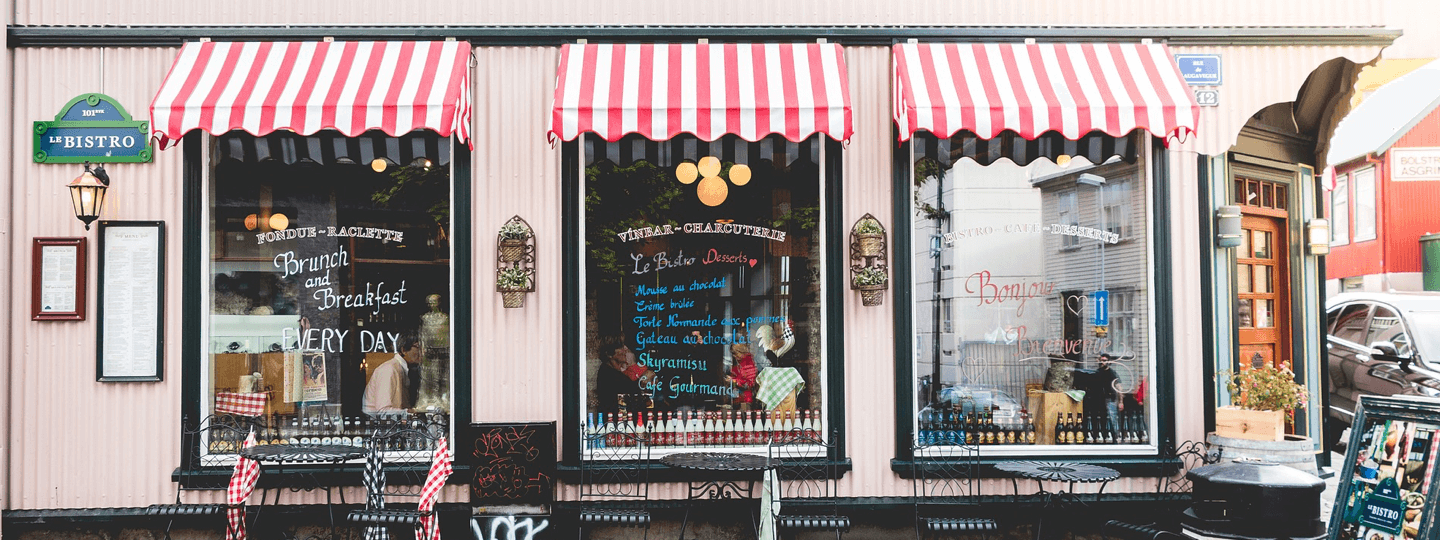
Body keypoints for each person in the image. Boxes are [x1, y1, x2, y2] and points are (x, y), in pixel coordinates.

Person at [363, 333, 421, 415]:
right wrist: (410, 413)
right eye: (418, 347)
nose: (423, 351)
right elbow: (382, 411)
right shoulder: (389, 369)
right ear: (403, 350)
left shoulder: (402, 369)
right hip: (377, 425)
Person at [595, 339, 656, 414]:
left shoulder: (621, 371)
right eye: (620, 347)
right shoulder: (610, 374)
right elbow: (635, 393)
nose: (626, 349)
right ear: (609, 354)